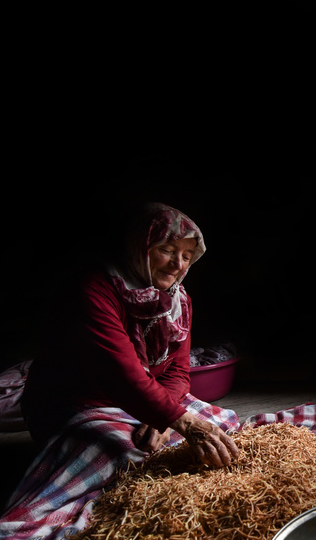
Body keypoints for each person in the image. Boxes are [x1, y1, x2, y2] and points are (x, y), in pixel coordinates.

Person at [20, 201, 239, 468]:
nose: (177, 265)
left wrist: (162, 419)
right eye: (166, 250)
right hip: (81, 404)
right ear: (139, 247)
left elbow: (178, 372)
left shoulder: (178, 301)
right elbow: (123, 377)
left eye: (187, 255)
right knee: (126, 456)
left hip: (141, 400)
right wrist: (178, 420)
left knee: (222, 424)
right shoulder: (94, 292)